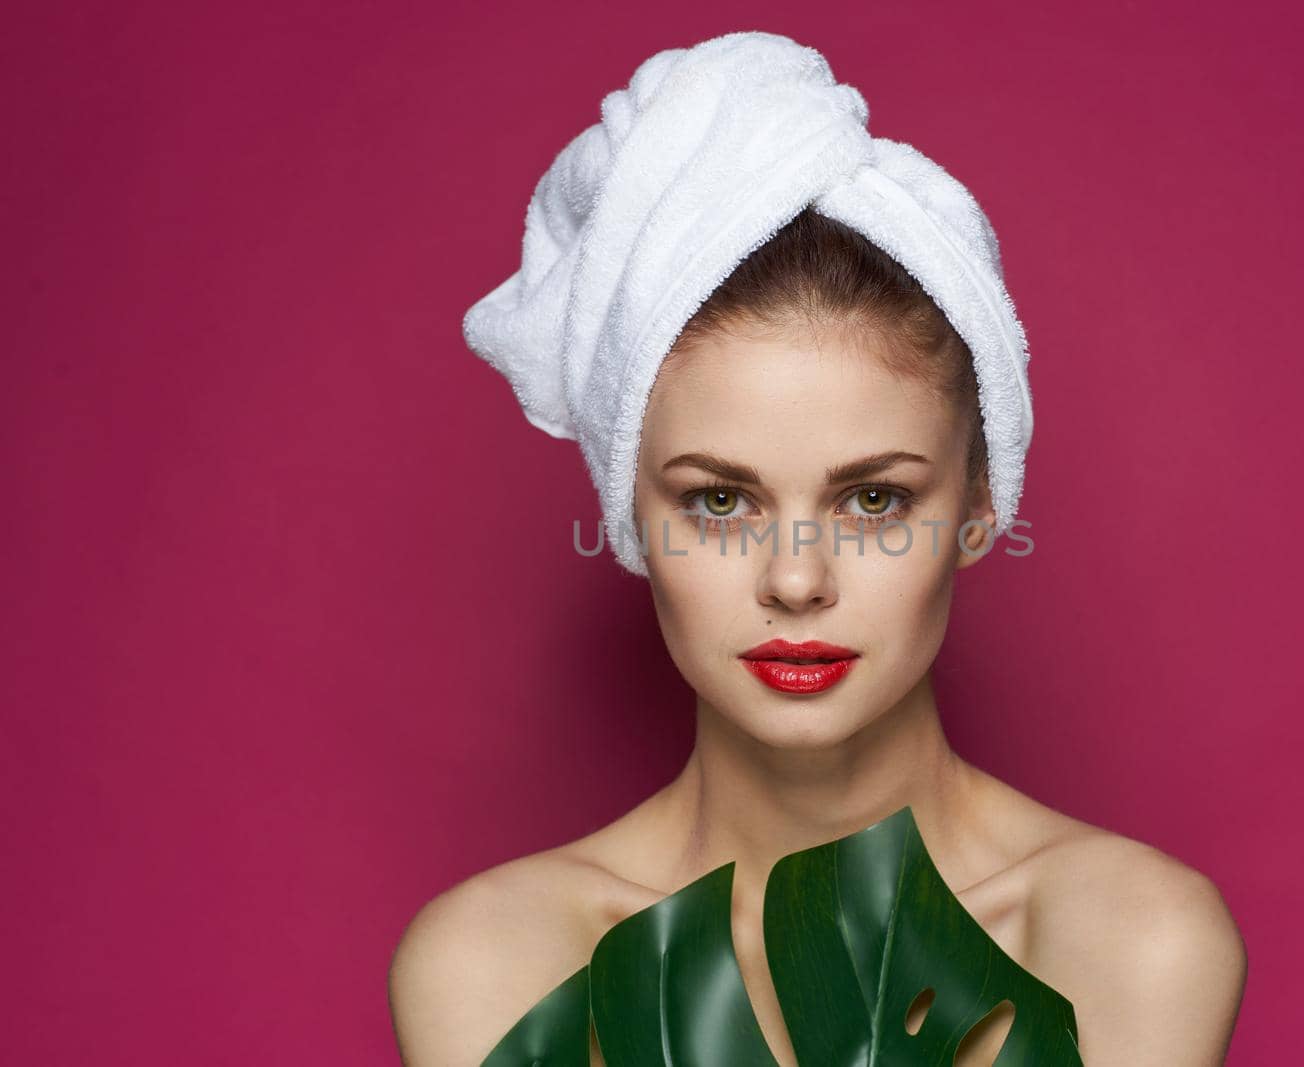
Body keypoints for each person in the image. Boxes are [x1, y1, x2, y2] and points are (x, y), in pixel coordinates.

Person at [390, 33, 1245, 1067]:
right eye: (716, 500)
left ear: (979, 500)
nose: (796, 579)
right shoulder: (499, 962)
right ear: (628, 515)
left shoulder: (1127, 943)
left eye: (875, 497)